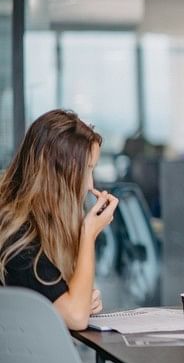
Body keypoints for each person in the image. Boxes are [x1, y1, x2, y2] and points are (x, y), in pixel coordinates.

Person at [0, 109, 119, 330]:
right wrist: (88, 233)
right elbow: (75, 317)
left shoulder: (29, 224)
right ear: (58, 174)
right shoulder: (19, 239)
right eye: (87, 170)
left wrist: (81, 299)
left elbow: (69, 306)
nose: (90, 185)